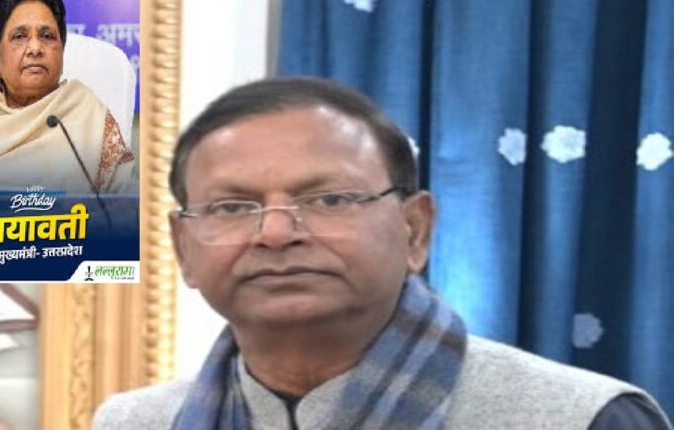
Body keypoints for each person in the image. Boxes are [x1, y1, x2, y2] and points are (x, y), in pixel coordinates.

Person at [92, 78, 672, 429]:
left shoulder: (581, 418)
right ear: (184, 249)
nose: (275, 233)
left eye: (329, 199)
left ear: (415, 230)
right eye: (232, 207)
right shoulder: (137, 422)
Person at [0, 0, 134, 194]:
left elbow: (125, 201)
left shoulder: (86, 112)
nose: (35, 48)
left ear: (61, 54)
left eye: (47, 36)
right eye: (19, 36)